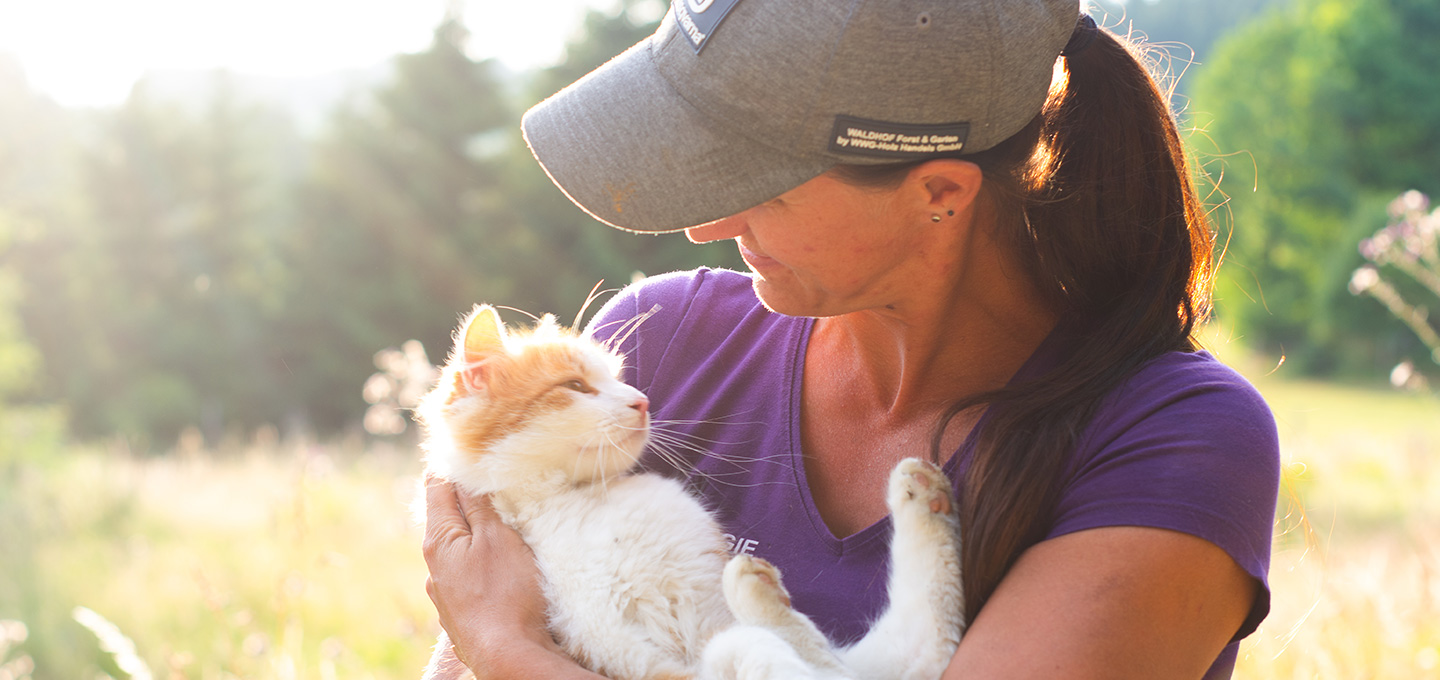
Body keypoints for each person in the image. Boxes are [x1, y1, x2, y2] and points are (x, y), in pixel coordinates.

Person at [422, 0, 1281, 678]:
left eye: (757, 183)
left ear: (938, 192)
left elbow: (494, 640)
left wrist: (512, 656)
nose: (706, 224)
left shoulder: (1173, 438)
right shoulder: (663, 343)